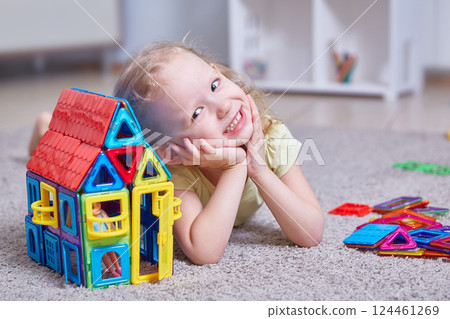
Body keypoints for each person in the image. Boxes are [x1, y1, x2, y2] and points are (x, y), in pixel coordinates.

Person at [29, 42, 324, 265]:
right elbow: (204, 251)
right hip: (131, 155)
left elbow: (310, 232)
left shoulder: (272, 136)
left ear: (216, 70)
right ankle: (46, 128)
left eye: (214, 85)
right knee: (71, 156)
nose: (222, 106)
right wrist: (236, 168)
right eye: (197, 113)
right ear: (171, 151)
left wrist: (257, 169)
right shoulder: (177, 169)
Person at [92, 202, 121, 277]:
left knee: (111, 251)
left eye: (98, 204)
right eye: (93, 207)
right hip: (97, 238)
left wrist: (114, 230)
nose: (97, 208)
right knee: (104, 254)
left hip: (107, 236)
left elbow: (109, 222)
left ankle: (118, 267)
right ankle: (111, 270)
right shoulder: (89, 218)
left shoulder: (102, 213)